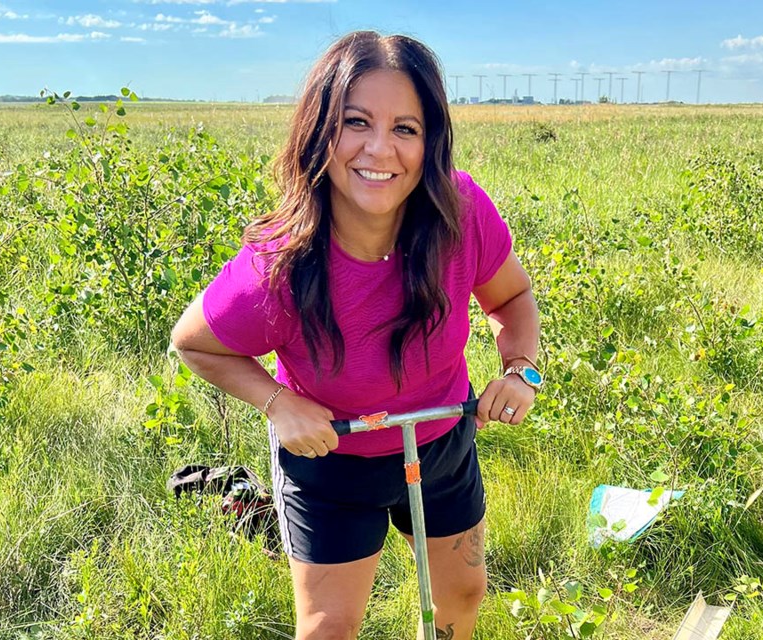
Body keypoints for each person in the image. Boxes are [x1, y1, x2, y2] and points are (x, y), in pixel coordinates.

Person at [170, 31, 541, 640]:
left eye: (405, 128)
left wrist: (521, 369)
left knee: (462, 597)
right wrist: (278, 402)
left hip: (441, 442)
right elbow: (195, 341)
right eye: (355, 122)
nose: (379, 149)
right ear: (320, 132)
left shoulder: (460, 211)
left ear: (431, 143)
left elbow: (512, 297)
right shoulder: (279, 263)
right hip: (330, 463)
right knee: (327, 628)